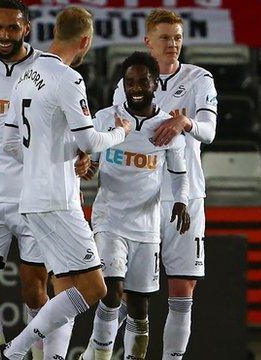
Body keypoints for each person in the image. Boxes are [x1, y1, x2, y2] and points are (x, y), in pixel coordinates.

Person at [0, 6, 132, 360]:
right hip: (58, 200)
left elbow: (10, 143)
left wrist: (60, 152)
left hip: (32, 198)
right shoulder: (68, 79)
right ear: (85, 40)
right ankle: (14, 352)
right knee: (94, 288)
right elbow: (91, 142)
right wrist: (121, 131)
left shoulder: (24, 75)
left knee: (67, 289)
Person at [0, 1, 88, 359]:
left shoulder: (45, 69)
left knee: (34, 292)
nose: (3, 35)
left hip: (35, 196)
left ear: (26, 29)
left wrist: (82, 151)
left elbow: (71, 124)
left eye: (12, 28)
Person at [111, 9, 218, 359]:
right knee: (128, 290)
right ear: (148, 42)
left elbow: (210, 132)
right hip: (142, 197)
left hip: (187, 196)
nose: (172, 44)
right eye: (164, 38)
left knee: (182, 285)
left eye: (177, 37)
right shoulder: (126, 85)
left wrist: (185, 122)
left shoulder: (200, 78)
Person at [80, 51, 190, 360]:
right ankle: (100, 356)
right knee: (110, 292)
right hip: (109, 219)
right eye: (130, 81)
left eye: (143, 81)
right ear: (123, 84)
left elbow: (179, 175)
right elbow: (92, 163)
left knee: (140, 308)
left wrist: (181, 200)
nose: (136, 87)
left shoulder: (167, 127)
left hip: (146, 226)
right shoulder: (106, 118)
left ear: (155, 83)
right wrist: (87, 168)